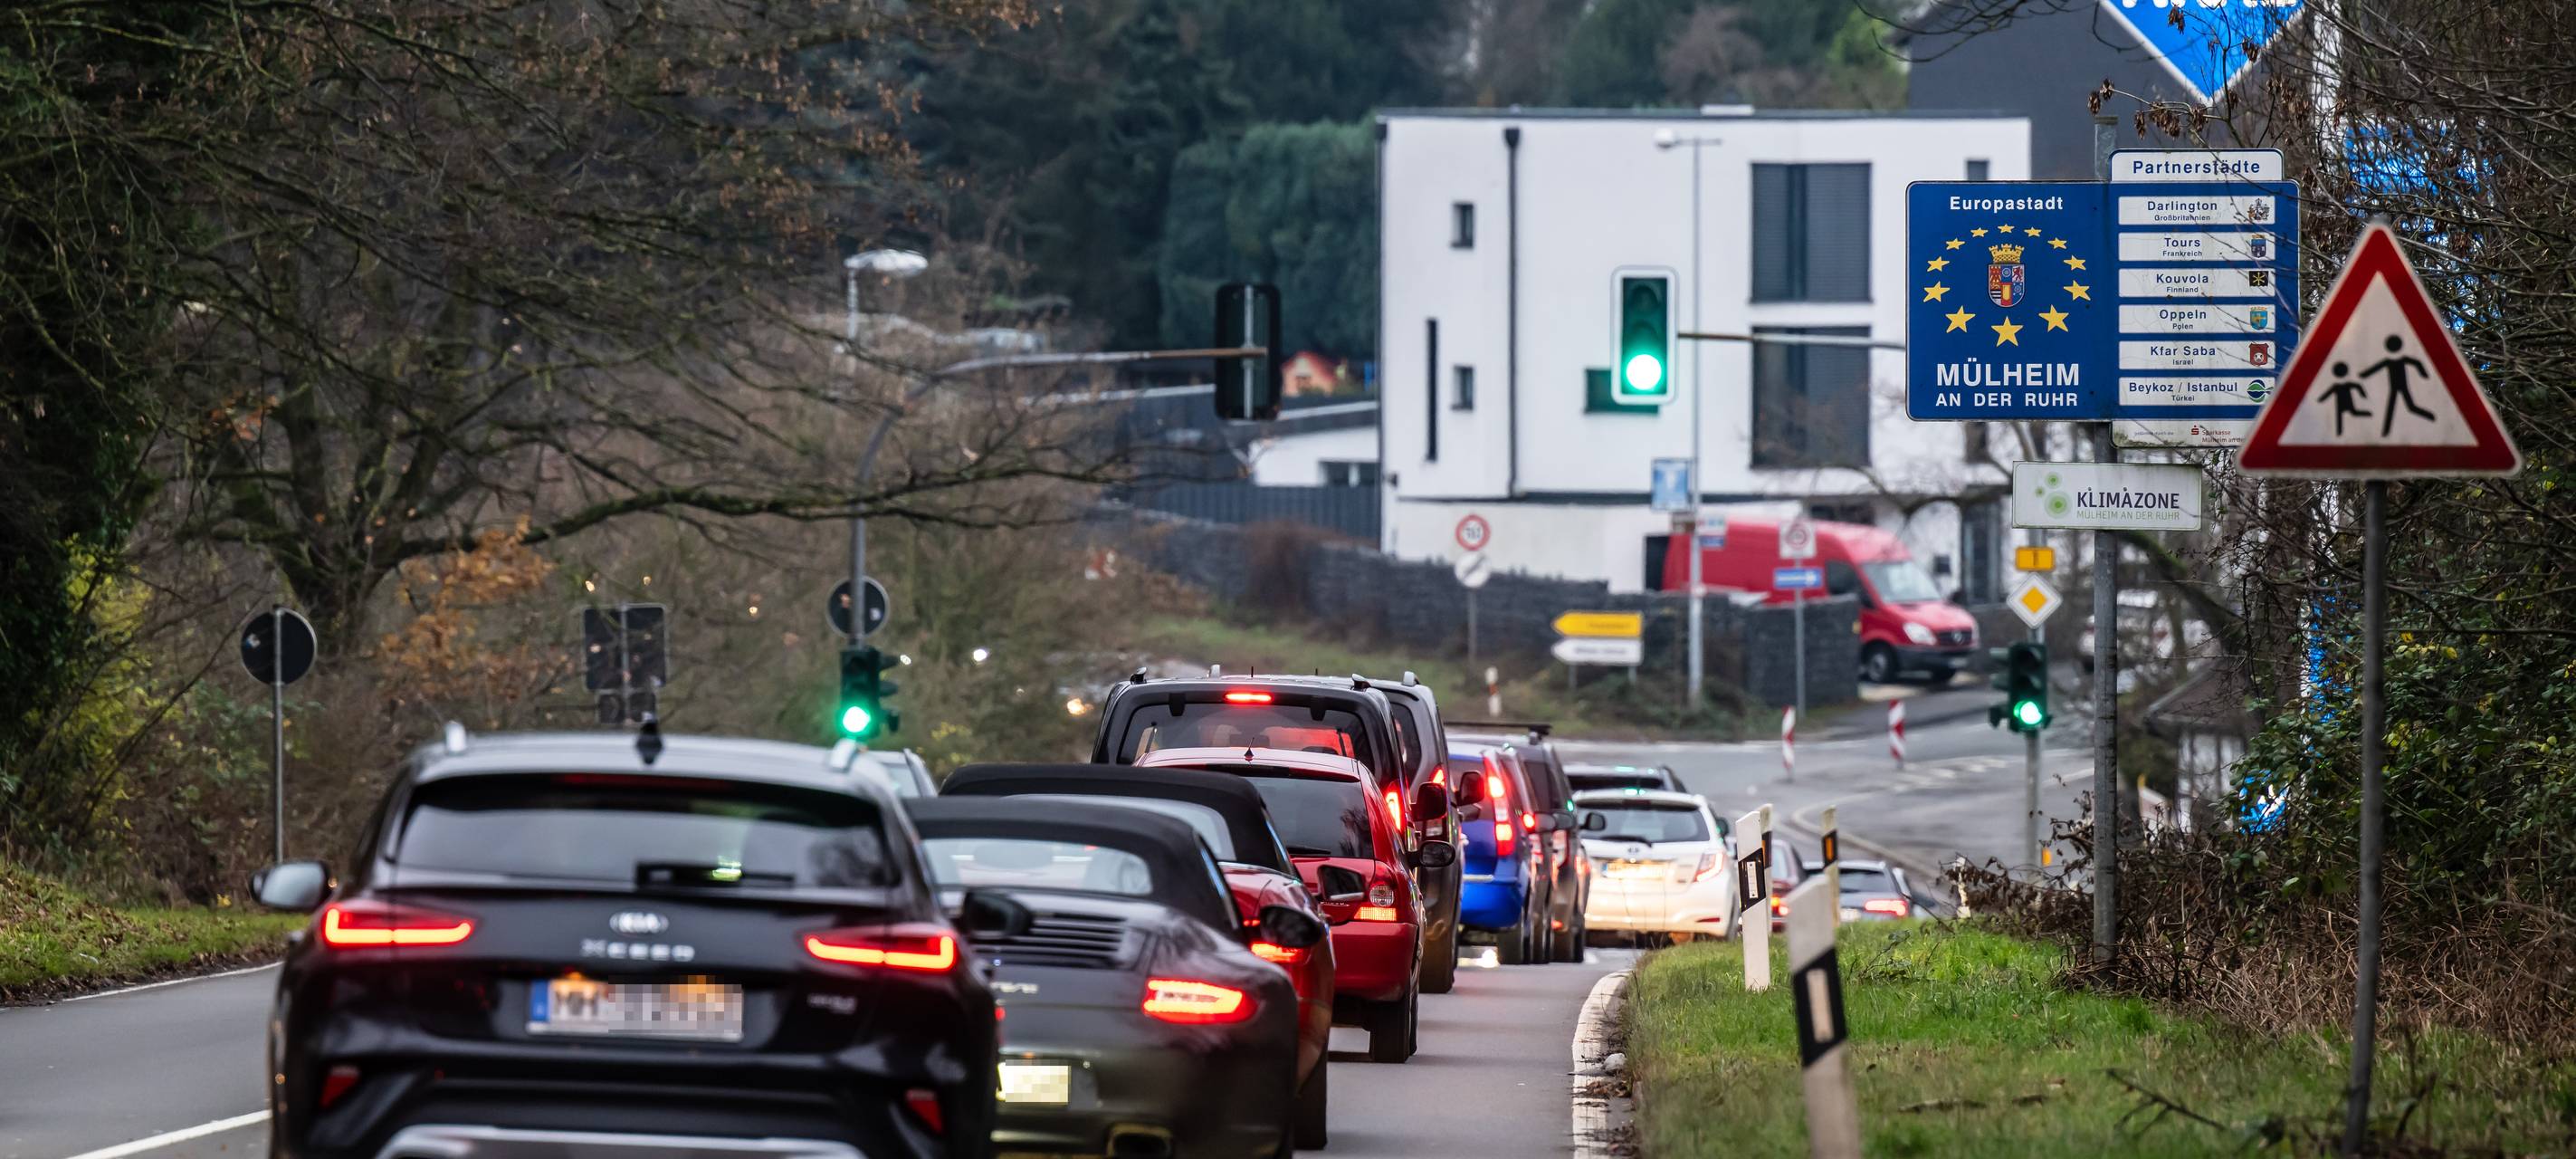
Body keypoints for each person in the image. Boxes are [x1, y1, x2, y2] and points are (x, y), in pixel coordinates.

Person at [2361, 334, 2437, 436]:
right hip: (2395, 388)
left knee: (2407, 407)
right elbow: (2374, 369)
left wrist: (2424, 374)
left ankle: (2431, 416)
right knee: (2397, 407)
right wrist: (2363, 375)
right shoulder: (2391, 361)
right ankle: (2386, 431)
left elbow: (2416, 363)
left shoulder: (2394, 361)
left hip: (2401, 387)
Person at [2316, 361, 2371, 436]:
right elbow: (2358, 386)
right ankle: (2339, 433)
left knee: (2351, 413)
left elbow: (2357, 386)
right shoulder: (2338, 386)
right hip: (2341, 404)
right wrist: (2320, 400)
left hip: (2345, 403)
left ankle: (2369, 414)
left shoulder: (2340, 386)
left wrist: (2363, 394)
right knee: (2341, 417)